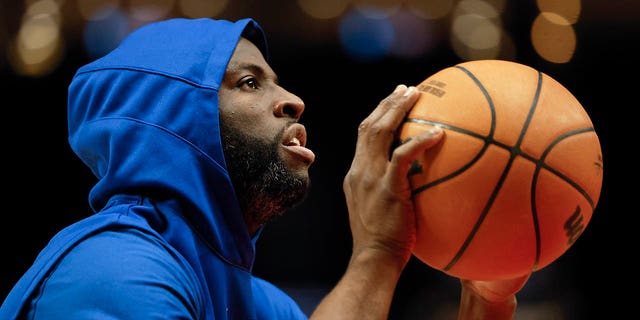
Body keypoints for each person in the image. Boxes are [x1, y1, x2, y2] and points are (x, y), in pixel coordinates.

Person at [0, 17, 529, 319]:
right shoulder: (113, 276)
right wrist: (377, 252)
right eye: (249, 83)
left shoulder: (253, 300)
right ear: (171, 122)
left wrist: (485, 296)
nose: (295, 100)